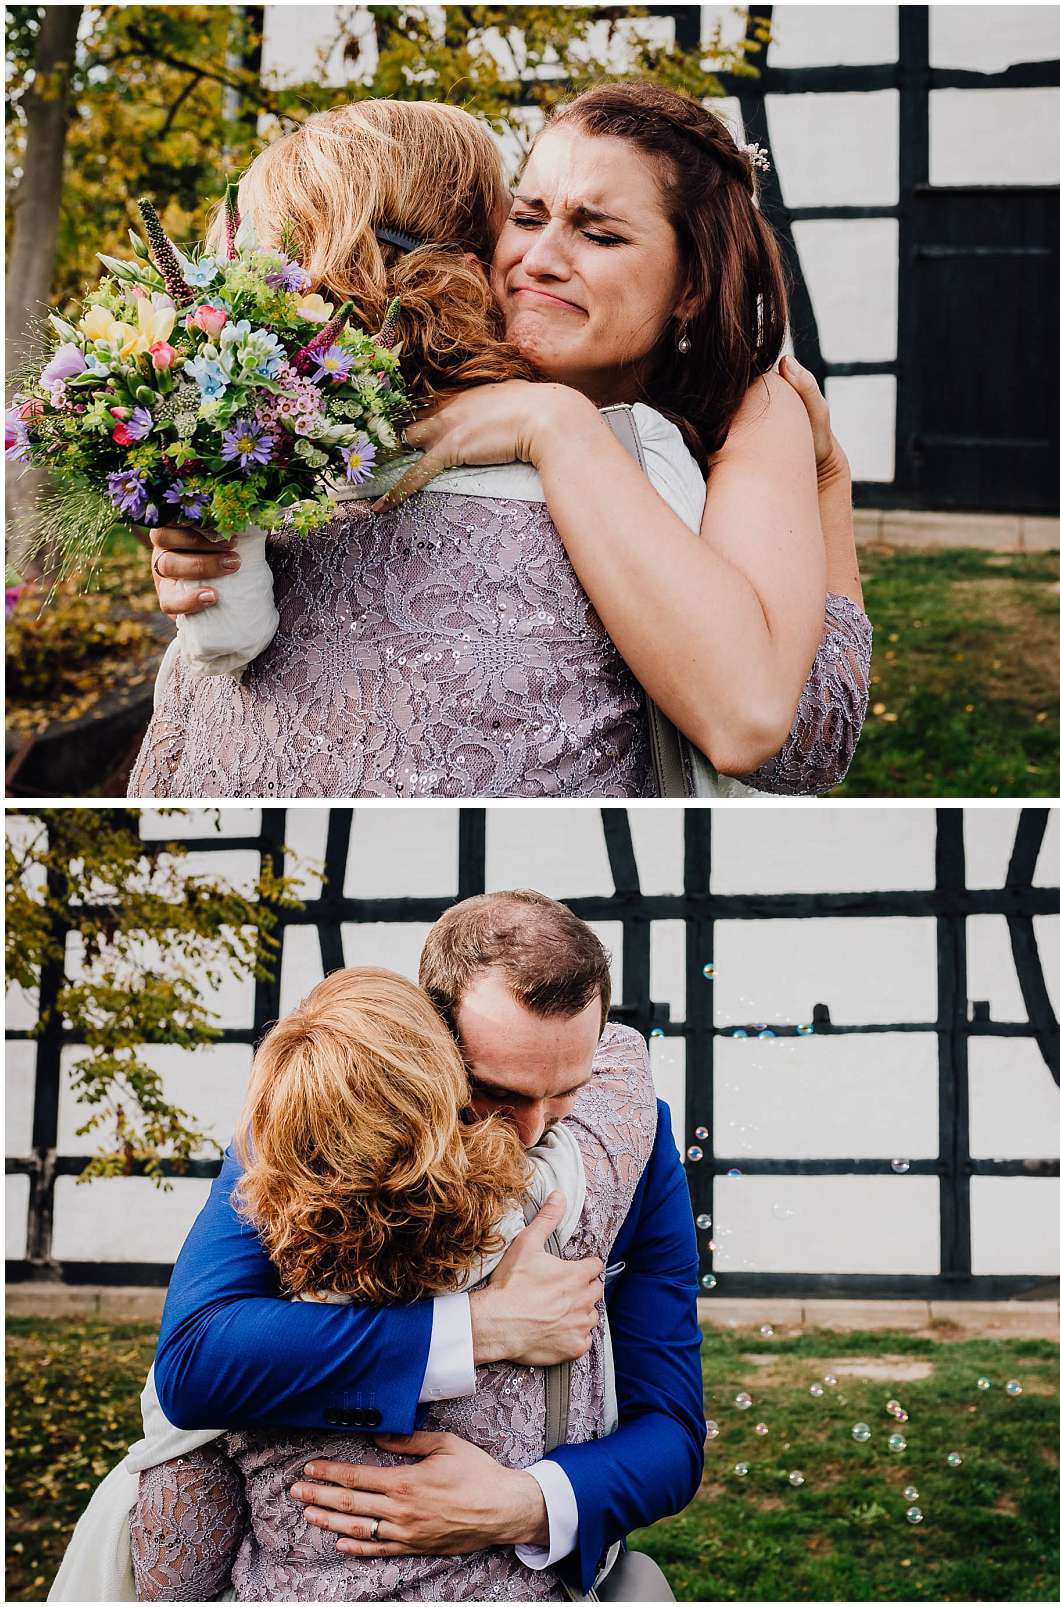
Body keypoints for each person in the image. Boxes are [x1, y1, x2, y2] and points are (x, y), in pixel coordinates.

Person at [130, 85, 870, 799]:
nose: (539, 259)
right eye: (526, 216)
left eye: (600, 232)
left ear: (691, 286)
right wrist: (201, 535)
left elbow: (790, 733)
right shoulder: (364, 420)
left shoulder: (750, 413)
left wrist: (556, 424)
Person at [145, 892, 705, 1597]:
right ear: (434, 1033)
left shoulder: (640, 1138)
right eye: (498, 1090)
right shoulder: (314, 1117)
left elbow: (674, 1433)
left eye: (567, 1091)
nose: (533, 1131)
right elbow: (198, 1360)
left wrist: (521, 1504)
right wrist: (479, 1328)